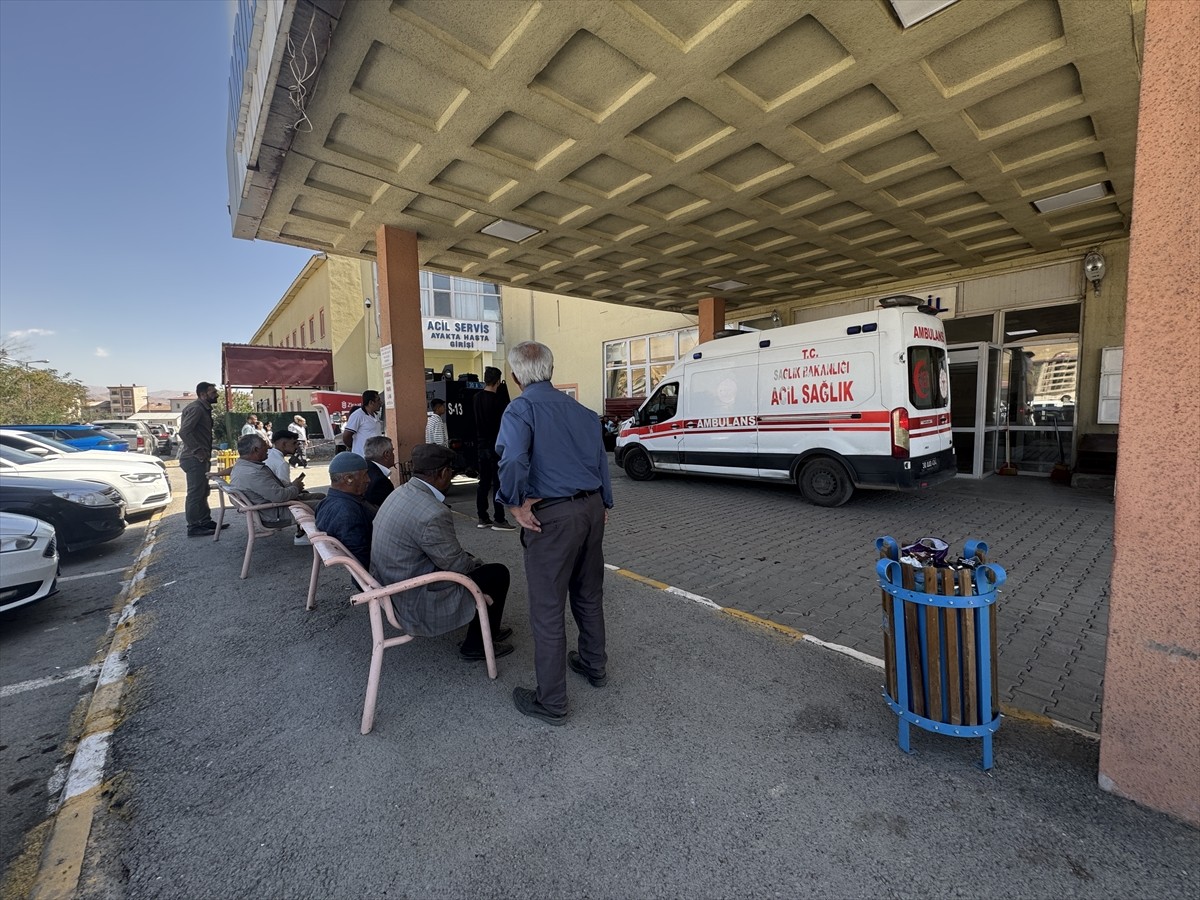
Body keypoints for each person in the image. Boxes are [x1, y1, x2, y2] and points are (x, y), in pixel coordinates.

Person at [497, 341, 613, 725]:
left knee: (547, 610)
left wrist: (512, 502)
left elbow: (513, 458)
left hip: (553, 516)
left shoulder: (521, 408)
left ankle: (552, 702)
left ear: (515, 377)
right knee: (588, 591)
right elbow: (600, 460)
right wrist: (604, 504)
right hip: (591, 507)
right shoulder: (582, 411)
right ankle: (594, 665)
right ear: (551, 369)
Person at [371, 443, 513, 661]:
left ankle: (489, 630)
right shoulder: (433, 512)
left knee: (476, 565)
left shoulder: (400, 491)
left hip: (390, 581)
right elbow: (456, 565)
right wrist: (476, 563)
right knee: (496, 574)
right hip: (413, 596)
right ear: (445, 473)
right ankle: (477, 644)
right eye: (452, 472)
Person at [228, 434, 321, 545]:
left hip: (269, 509)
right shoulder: (253, 473)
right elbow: (279, 496)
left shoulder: (243, 466)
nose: (268, 448)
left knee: (321, 498)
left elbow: (273, 486)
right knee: (325, 505)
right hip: (274, 514)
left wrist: (293, 486)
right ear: (256, 450)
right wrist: (295, 487)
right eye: (264, 445)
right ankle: (327, 540)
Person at [178, 381, 229, 537]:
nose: (217, 395)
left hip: (200, 457)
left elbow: (198, 433)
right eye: (213, 393)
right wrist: (198, 450)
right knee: (195, 492)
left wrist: (210, 446)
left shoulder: (203, 408)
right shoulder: (196, 409)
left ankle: (205, 521)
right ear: (202, 394)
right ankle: (194, 526)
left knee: (202, 491)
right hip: (194, 459)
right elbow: (184, 432)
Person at [315, 452, 375, 568]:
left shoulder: (325, 504)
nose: (368, 480)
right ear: (349, 479)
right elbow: (362, 557)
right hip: (375, 577)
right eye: (365, 475)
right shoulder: (346, 511)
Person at [473, 366, 515, 531]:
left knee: (483, 482)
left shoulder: (476, 398)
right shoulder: (500, 400)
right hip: (497, 445)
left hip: (481, 444)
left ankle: (483, 517)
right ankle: (499, 519)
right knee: (498, 482)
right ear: (498, 381)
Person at [342, 391, 383, 457]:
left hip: (375, 455)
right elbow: (346, 436)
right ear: (371, 402)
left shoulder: (376, 415)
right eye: (378, 400)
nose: (381, 403)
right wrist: (353, 446)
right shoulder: (358, 415)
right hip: (362, 456)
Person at [362, 434, 396, 509]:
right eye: (392, 451)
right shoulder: (380, 481)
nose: (394, 455)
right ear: (386, 455)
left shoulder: (364, 468)